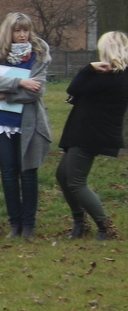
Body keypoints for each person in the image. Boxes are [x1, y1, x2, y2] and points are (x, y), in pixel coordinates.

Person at [0, 12, 52, 239]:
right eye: (17, 30)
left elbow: (36, 90)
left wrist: (4, 95)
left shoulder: (39, 53)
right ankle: (15, 224)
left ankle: (29, 224)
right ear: (8, 31)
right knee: (8, 173)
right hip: (0, 121)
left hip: (28, 121)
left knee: (28, 172)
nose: (22, 35)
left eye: (26, 30)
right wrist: (20, 81)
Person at [56, 31, 128, 240]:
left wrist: (89, 68)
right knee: (63, 176)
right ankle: (80, 222)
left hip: (90, 133)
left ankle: (104, 227)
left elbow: (74, 88)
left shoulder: (113, 76)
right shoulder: (114, 75)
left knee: (76, 182)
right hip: (83, 130)